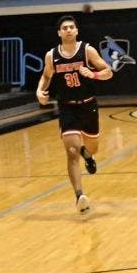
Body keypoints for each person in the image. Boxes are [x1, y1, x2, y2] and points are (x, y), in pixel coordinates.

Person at [35, 15, 114, 214]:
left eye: (72, 27)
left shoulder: (87, 50)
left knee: (92, 147)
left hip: (88, 105)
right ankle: (80, 195)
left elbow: (108, 71)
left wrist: (93, 74)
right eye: (65, 28)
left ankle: (87, 155)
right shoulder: (51, 55)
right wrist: (40, 91)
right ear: (59, 33)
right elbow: (46, 76)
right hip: (67, 106)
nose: (69, 30)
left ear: (77, 31)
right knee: (71, 151)